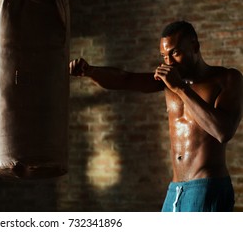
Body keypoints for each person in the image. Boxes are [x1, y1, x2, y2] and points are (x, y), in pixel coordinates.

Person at [69, 21, 243, 212]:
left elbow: (223, 131)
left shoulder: (227, 79)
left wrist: (180, 88)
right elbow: (125, 79)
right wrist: (91, 71)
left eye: (175, 53)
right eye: (164, 56)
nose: (168, 63)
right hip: (175, 189)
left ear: (195, 46)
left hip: (207, 187)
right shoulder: (168, 82)